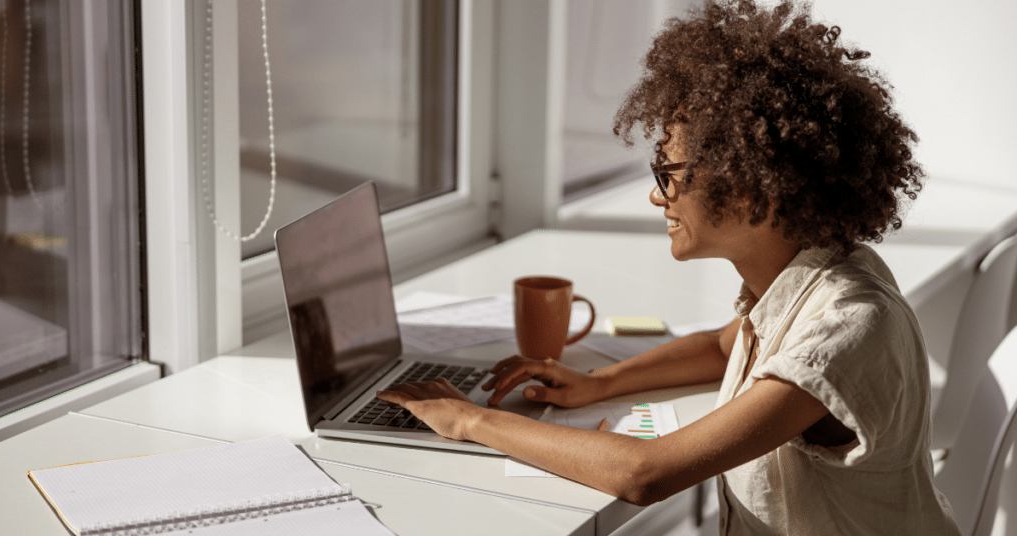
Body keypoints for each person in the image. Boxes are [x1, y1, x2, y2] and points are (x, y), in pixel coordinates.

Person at [377, 1, 962, 533]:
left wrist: (466, 421)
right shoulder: (808, 281)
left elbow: (645, 475)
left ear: (754, 189)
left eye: (670, 175)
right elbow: (719, 348)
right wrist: (598, 383)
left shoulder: (847, 327)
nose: (658, 198)